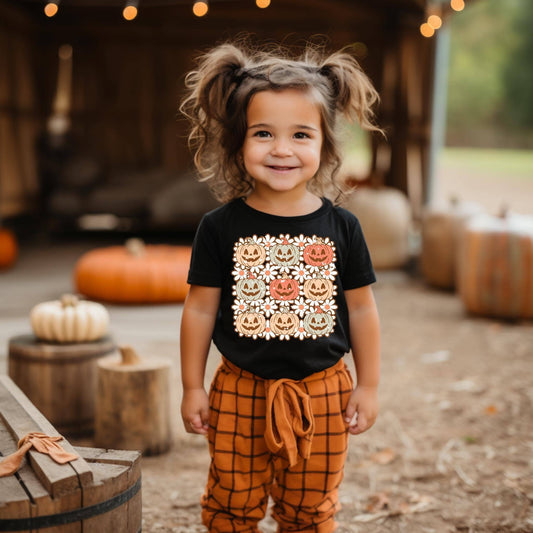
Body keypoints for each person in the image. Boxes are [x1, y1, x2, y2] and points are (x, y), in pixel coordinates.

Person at [179, 40, 382, 533]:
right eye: (263, 133)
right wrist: (191, 386)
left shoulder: (343, 227)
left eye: (301, 134)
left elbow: (362, 310)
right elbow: (200, 310)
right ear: (237, 142)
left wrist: (370, 384)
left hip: (323, 395)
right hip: (239, 393)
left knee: (311, 509)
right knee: (231, 504)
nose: (282, 149)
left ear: (326, 144)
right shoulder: (219, 226)